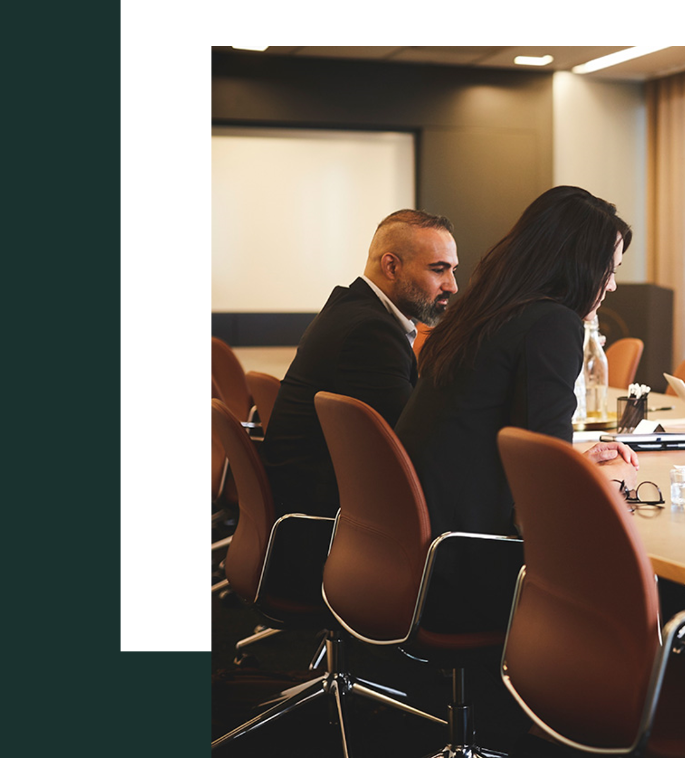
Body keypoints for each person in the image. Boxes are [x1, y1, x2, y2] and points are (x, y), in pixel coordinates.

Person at [395, 185, 640, 631]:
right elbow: (547, 493)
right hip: (474, 561)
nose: (612, 284)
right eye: (609, 268)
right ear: (580, 262)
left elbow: (499, 440)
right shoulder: (552, 324)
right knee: (648, 586)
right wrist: (612, 486)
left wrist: (574, 461)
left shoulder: (483, 313)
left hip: (423, 544)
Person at [260, 209, 459, 517]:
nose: (452, 286)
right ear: (391, 266)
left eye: (453, 270)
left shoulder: (352, 309)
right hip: (321, 520)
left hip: (306, 502)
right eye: (438, 270)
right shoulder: (370, 333)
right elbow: (409, 446)